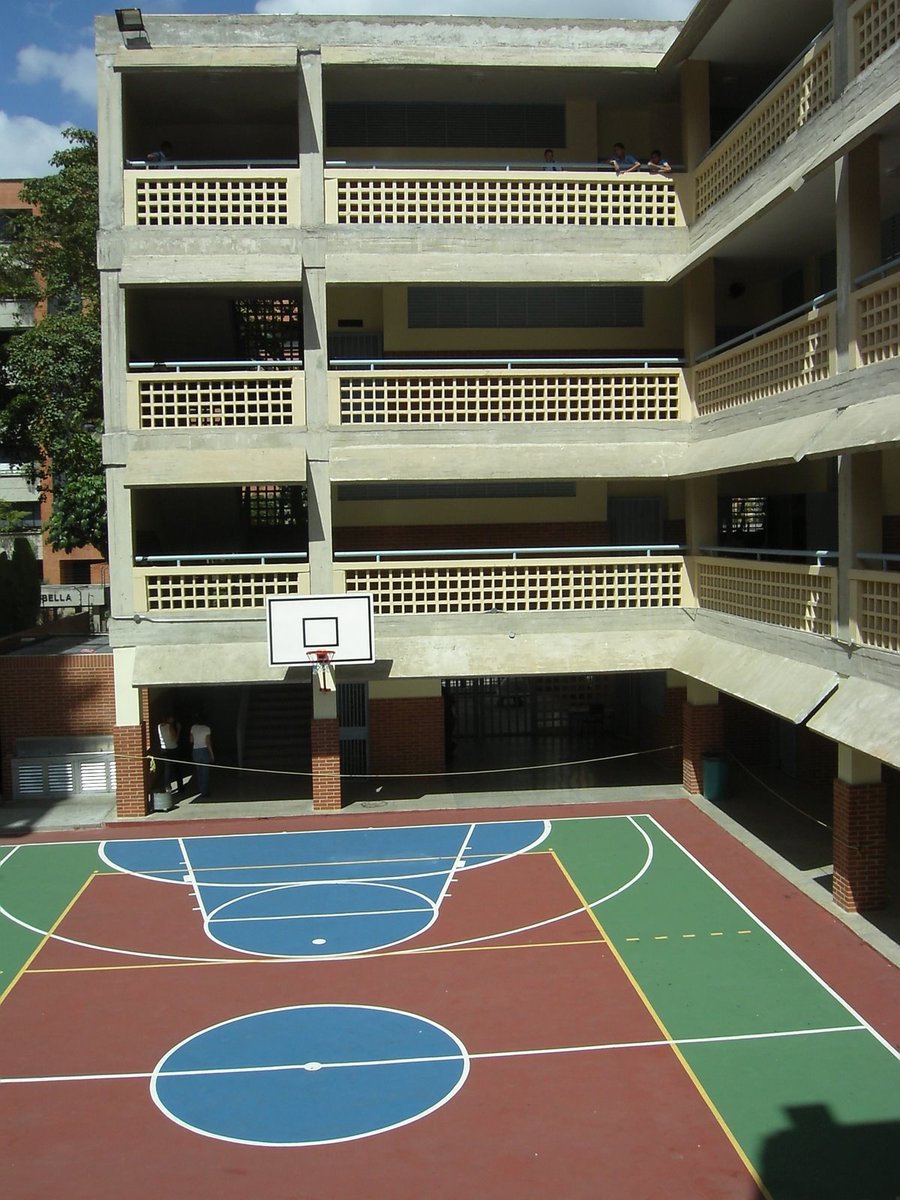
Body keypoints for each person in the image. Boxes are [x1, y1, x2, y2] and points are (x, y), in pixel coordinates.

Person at [157, 714, 183, 794]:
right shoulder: (170, 726)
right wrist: (179, 730)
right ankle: (180, 787)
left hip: (163, 748)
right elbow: (175, 739)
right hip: (172, 748)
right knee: (176, 768)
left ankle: (167, 787)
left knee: (167, 768)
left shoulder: (159, 726)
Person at [190, 715, 214, 797]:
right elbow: (208, 743)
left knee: (198, 772)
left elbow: (191, 740)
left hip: (195, 750)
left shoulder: (193, 727)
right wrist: (212, 754)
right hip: (204, 751)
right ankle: (204, 791)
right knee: (205, 772)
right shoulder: (207, 729)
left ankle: (200, 790)